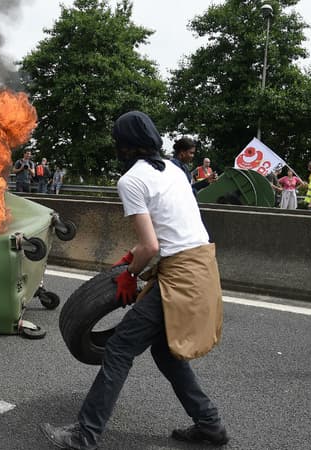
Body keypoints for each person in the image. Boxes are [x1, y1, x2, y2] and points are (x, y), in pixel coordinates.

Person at [40, 111, 227, 449]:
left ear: (123, 146)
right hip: (202, 265)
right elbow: (168, 232)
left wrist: (129, 274)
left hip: (180, 273)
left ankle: (85, 434)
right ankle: (209, 424)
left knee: (118, 348)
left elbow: (151, 245)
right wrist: (134, 258)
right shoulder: (175, 169)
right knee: (166, 353)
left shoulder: (131, 181)